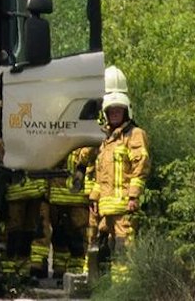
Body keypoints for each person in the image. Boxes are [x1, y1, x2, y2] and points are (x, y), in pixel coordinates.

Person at [88, 66, 150, 277]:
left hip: (124, 206)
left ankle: (124, 289)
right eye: (111, 111)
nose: (114, 113)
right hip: (105, 208)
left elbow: (140, 166)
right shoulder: (106, 142)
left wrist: (133, 196)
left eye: (118, 110)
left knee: (124, 247)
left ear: (126, 111)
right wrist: (94, 198)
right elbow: (100, 175)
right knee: (105, 248)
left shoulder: (135, 134)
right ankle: (107, 287)